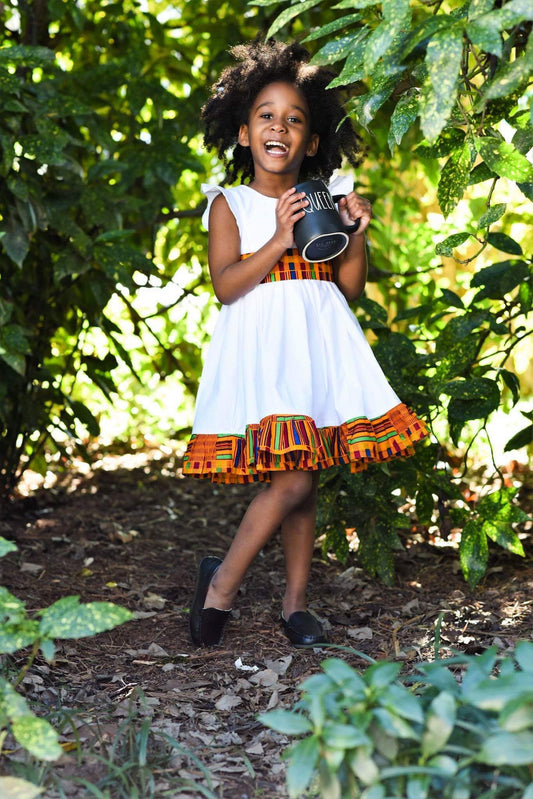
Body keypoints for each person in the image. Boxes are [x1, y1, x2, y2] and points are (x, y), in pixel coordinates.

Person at [183, 40, 428, 648]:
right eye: (267, 115)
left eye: (295, 120)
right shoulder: (230, 205)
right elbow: (226, 285)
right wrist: (280, 239)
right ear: (243, 133)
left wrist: (356, 235)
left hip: (317, 349)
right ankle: (221, 585)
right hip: (266, 355)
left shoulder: (322, 204)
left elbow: (346, 290)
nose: (280, 127)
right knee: (291, 479)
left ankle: (295, 604)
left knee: (306, 475)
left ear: (311, 143)